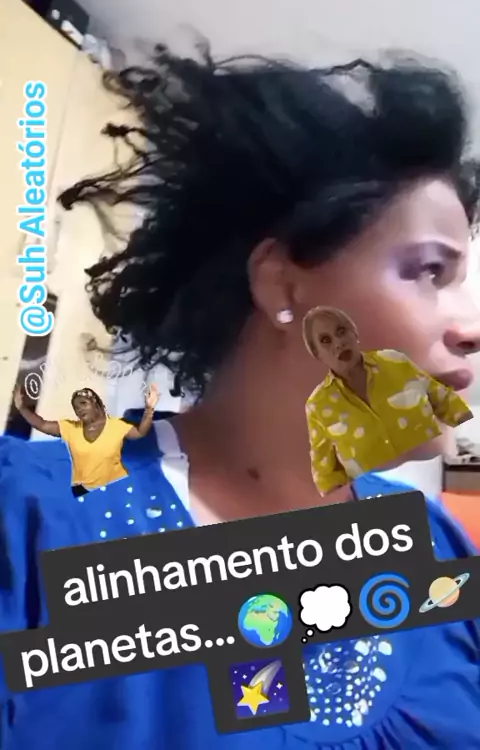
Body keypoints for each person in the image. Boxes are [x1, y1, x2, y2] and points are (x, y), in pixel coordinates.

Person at [1, 46, 480, 750]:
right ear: (283, 286)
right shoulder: (32, 521)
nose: (470, 327)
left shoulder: (432, 550)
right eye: (430, 272)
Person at [303, 306, 473, 492]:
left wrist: (469, 437)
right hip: (374, 493)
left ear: (354, 333)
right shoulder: (318, 405)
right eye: (325, 340)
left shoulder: (394, 362)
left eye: (341, 331)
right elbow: (324, 468)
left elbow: (444, 401)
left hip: (428, 480)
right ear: (317, 354)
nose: (338, 343)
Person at [12, 384, 160, 494]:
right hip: (83, 492)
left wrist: (149, 410)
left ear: (95, 403)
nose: (80, 409)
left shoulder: (116, 426)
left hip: (114, 488)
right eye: (76, 408)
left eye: (83, 404)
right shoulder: (71, 428)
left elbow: (140, 433)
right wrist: (22, 408)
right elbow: (42, 424)